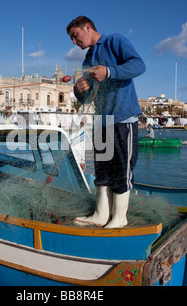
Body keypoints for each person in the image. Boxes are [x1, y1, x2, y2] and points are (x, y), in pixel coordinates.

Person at [66, 16, 145, 228]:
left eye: (75, 35)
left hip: (122, 117)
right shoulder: (87, 60)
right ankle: (101, 214)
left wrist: (109, 71)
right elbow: (87, 97)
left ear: (88, 27)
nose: (74, 42)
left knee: (121, 168)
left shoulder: (114, 41)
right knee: (102, 170)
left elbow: (139, 65)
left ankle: (119, 218)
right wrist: (79, 91)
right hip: (101, 122)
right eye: (72, 39)